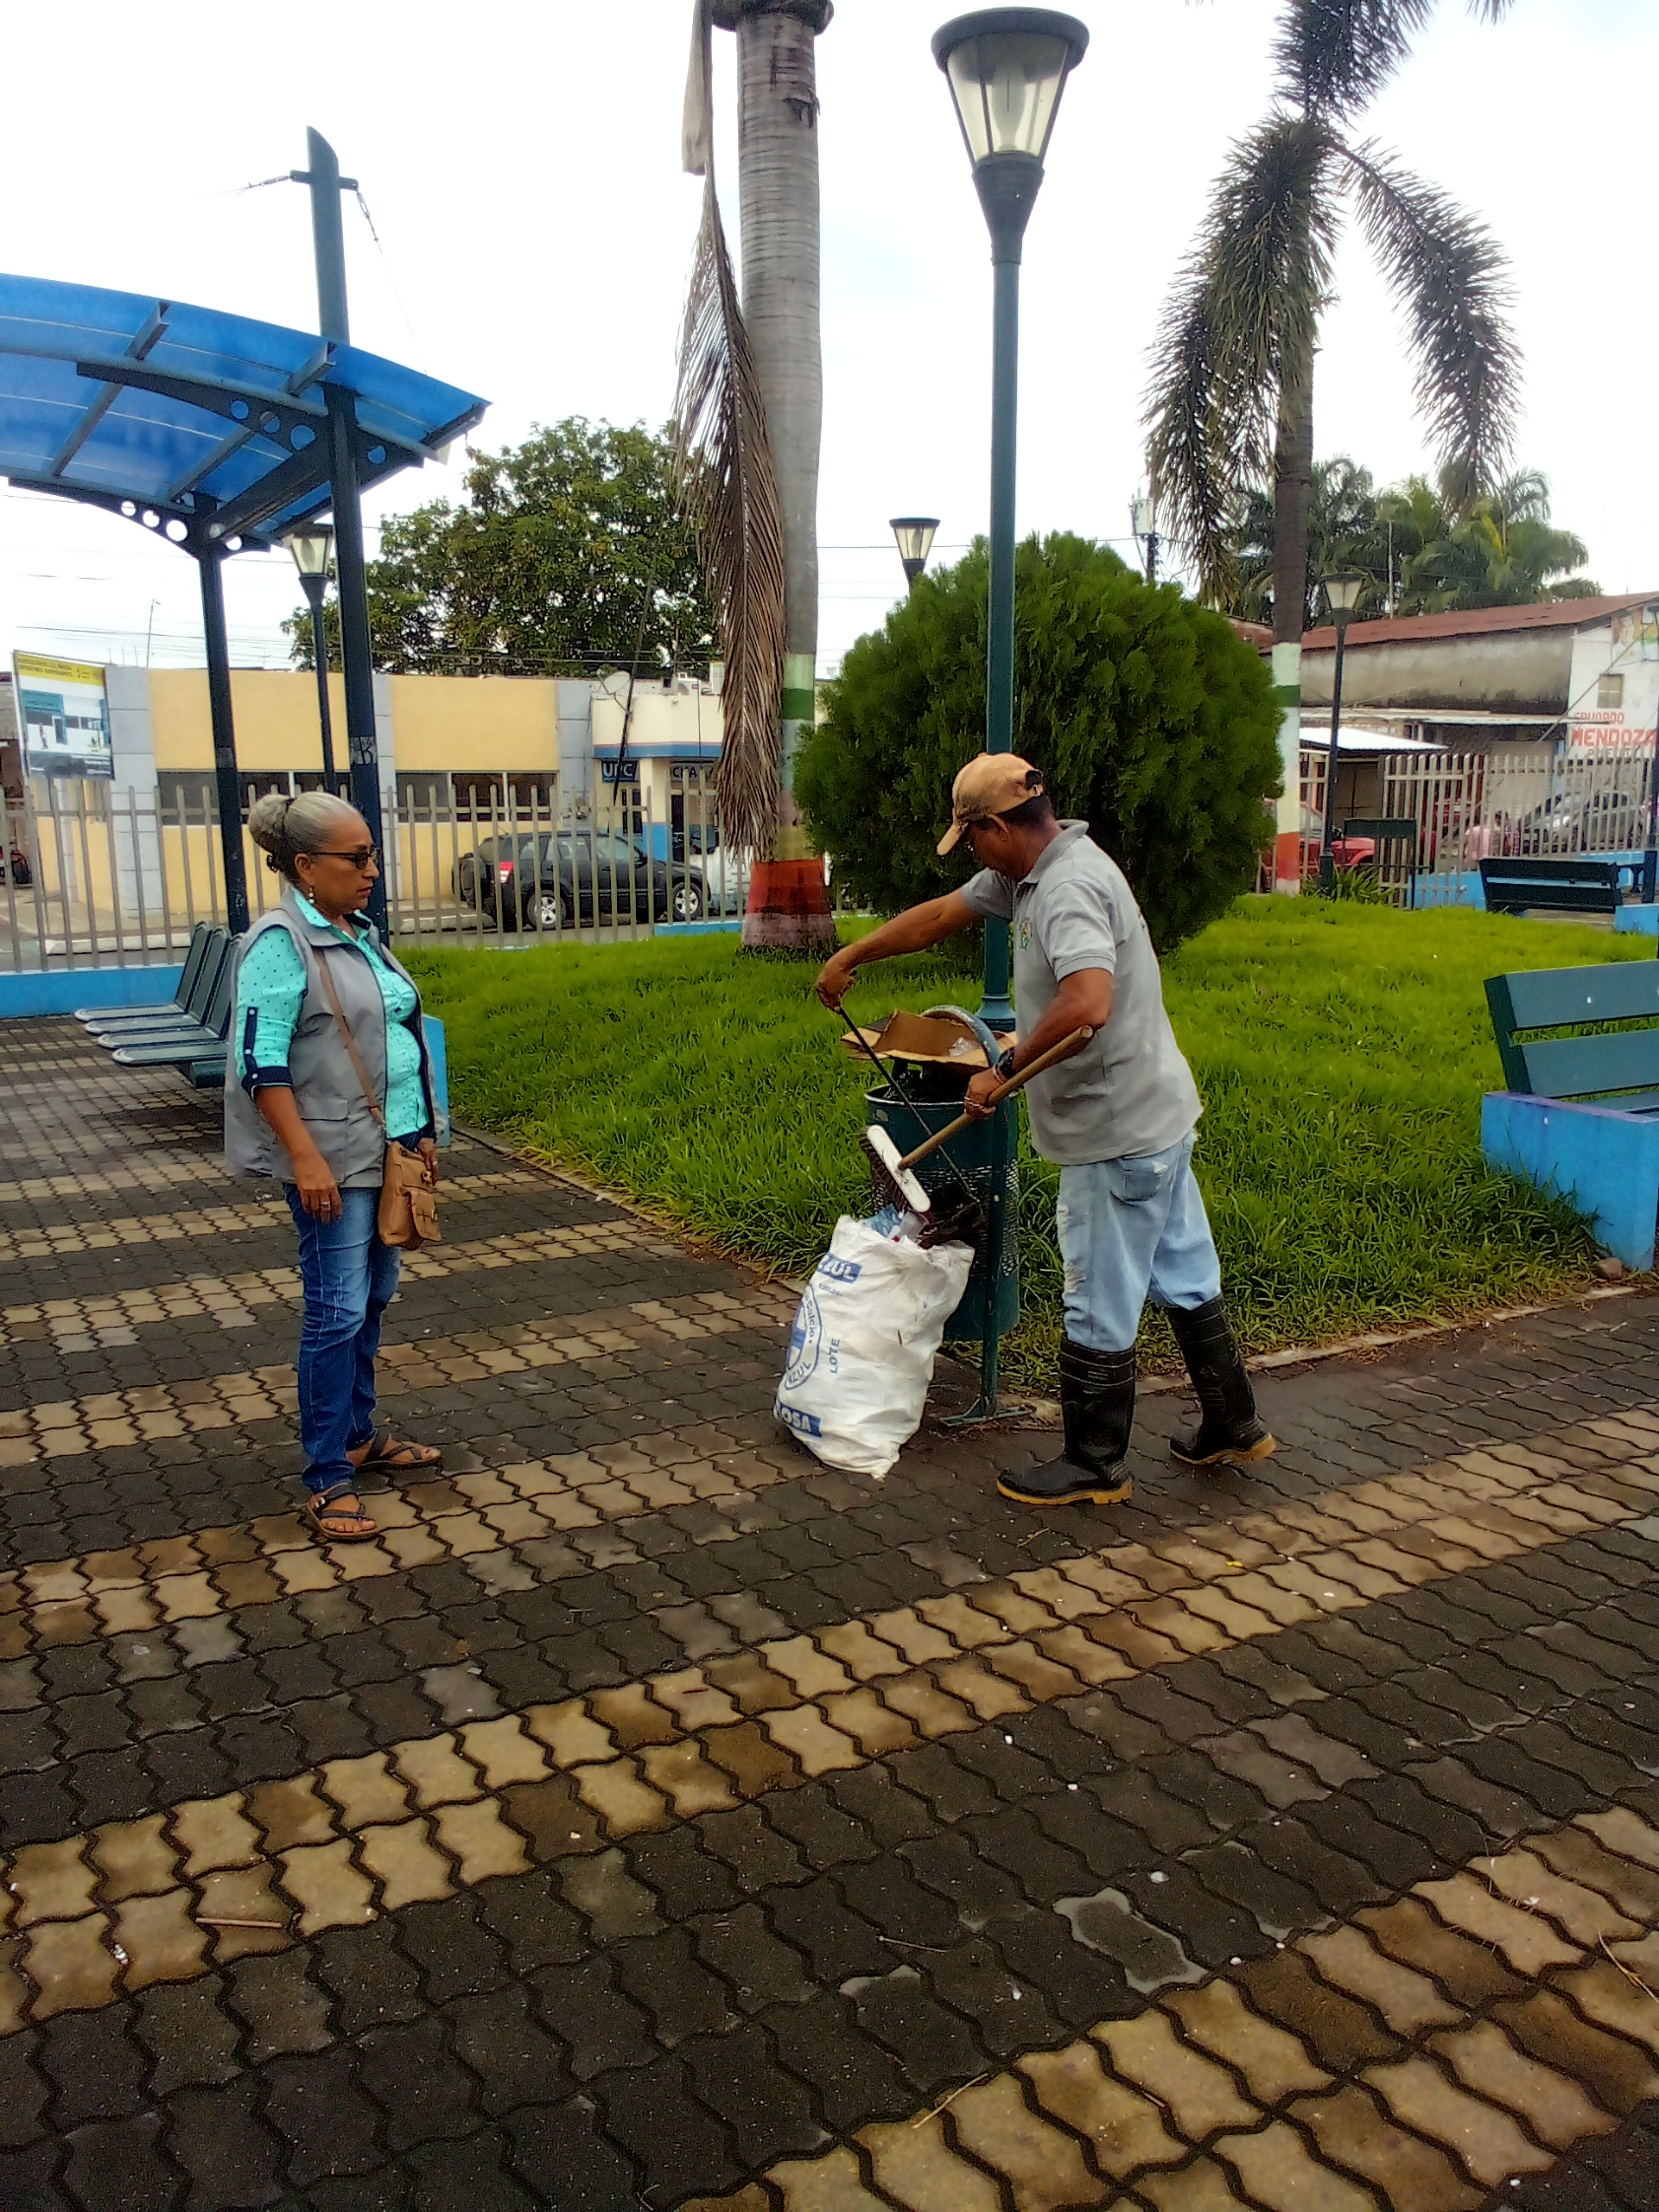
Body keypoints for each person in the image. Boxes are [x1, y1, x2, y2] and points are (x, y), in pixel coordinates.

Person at [815, 753, 1273, 1511]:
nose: (970, 853)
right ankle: (1234, 1422)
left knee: (1097, 1294)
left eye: (972, 838)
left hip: (1113, 1133)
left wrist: (1005, 1067)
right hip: (1158, 1117)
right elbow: (940, 916)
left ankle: (1095, 1462)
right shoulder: (1031, 874)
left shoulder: (1066, 890)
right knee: (1187, 1273)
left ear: (999, 827)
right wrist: (852, 955)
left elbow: (1088, 1002)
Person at [225, 791, 446, 1542]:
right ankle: (326, 1477)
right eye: (357, 858)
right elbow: (260, 1062)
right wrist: (304, 1157)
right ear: (305, 866)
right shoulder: (280, 944)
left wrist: (421, 1133)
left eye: (372, 854)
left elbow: (395, 1037)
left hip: (387, 1150)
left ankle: (357, 1434)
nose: (372, 870)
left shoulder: (358, 933)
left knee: (373, 1299)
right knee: (336, 1312)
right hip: (332, 1161)